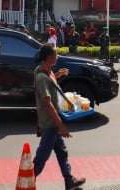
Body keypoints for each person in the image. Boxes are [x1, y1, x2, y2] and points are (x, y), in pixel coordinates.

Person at [33, 43, 86, 190]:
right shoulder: (41, 77)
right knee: (42, 156)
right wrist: (61, 125)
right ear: (49, 57)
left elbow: (49, 84)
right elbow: (47, 103)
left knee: (62, 152)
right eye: (56, 54)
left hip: (53, 123)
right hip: (50, 123)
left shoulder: (46, 71)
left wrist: (58, 75)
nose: (57, 56)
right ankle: (27, 180)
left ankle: (69, 181)